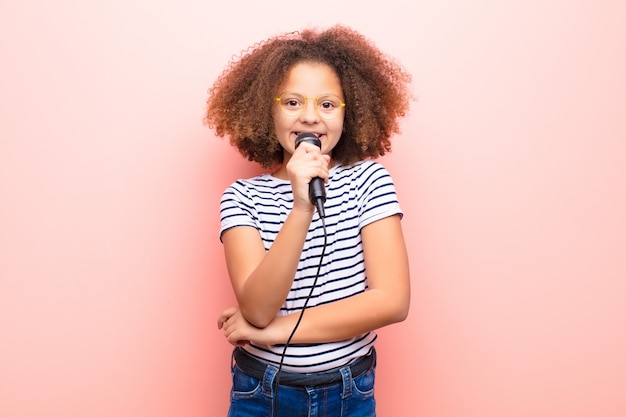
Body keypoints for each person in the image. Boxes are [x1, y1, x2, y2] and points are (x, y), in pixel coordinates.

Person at [207, 24, 412, 417]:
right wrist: (301, 208)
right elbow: (258, 309)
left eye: (328, 104)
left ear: (349, 111)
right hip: (261, 394)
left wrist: (272, 333)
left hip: (348, 392)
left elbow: (392, 301)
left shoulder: (369, 182)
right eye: (293, 102)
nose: (311, 117)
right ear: (268, 109)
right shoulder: (242, 198)